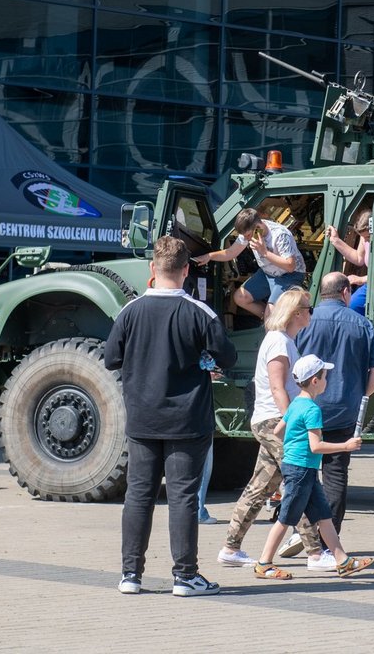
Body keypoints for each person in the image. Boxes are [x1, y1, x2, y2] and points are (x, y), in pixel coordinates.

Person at [104, 236, 237, 596]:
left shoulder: (129, 311)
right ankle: (185, 576)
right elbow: (228, 357)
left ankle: (130, 575)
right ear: (186, 270)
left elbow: (111, 358)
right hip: (187, 421)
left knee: (138, 495)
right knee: (182, 496)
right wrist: (204, 361)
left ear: (153, 269)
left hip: (143, 419)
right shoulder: (199, 312)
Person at [217, 288, 329, 570]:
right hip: (275, 421)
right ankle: (316, 553)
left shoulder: (284, 340)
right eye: (307, 307)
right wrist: (292, 423)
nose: (311, 312)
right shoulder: (280, 342)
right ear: (297, 313)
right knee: (301, 481)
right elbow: (279, 388)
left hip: (270, 421)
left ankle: (231, 547)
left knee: (260, 486)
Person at [252, 355, 374, 580]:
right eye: (325, 376)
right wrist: (345, 446)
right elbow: (316, 446)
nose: (327, 380)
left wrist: (293, 444)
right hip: (300, 470)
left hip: (299, 468)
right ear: (315, 381)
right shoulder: (312, 410)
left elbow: (279, 431)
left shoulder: (296, 404)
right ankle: (264, 563)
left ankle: (342, 561)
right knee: (286, 518)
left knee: (324, 515)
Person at [295, 272, 374, 550]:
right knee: (335, 478)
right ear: (346, 292)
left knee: (301, 473)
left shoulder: (305, 322)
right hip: (344, 411)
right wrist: (361, 395)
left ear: (321, 292)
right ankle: (326, 544)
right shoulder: (362, 324)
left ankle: (300, 533)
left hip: (307, 406)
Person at [193, 207, 306, 319]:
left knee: (270, 313)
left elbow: (290, 266)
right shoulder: (250, 233)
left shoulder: (280, 235)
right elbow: (231, 253)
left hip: (289, 275)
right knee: (240, 297)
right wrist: (209, 256)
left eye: (248, 236)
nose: (247, 239)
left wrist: (264, 252)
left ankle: (273, 321)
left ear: (257, 227)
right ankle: (271, 320)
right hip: (268, 273)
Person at [326, 209, 374, 368]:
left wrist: (360, 279)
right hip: (370, 285)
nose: (365, 240)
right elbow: (359, 258)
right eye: (363, 237)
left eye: (367, 237)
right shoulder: (364, 237)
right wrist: (336, 240)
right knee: (350, 308)